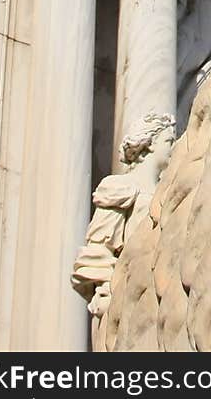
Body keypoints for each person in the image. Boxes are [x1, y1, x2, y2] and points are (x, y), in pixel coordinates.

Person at [71, 112, 175, 345]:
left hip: (157, 294)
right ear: (149, 144)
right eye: (168, 141)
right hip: (125, 298)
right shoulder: (121, 187)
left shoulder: (167, 195)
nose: (173, 147)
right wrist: (108, 293)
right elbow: (97, 252)